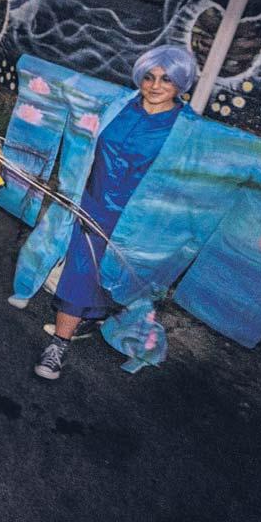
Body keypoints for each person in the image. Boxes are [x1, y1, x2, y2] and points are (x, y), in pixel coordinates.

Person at [33, 46, 198, 381]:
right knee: (80, 271)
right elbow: (69, 93)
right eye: (149, 77)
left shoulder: (188, 128)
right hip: (93, 206)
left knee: (114, 277)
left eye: (166, 79)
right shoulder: (119, 104)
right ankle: (59, 345)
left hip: (137, 220)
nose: (155, 85)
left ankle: (91, 316)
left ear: (181, 83)